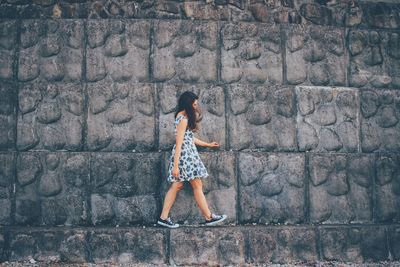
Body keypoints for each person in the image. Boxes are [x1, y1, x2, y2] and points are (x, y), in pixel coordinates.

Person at [157, 91, 227, 228]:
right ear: (188, 104)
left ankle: (163, 218)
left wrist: (207, 144)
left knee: (178, 185)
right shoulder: (183, 120)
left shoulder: (181, 116)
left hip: (186, 155)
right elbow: (179, 143)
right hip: (185, 157)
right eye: (194, 104)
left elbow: (188, 138)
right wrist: (176, 166)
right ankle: (208, 217)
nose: (196, 107)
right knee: (197, 185)